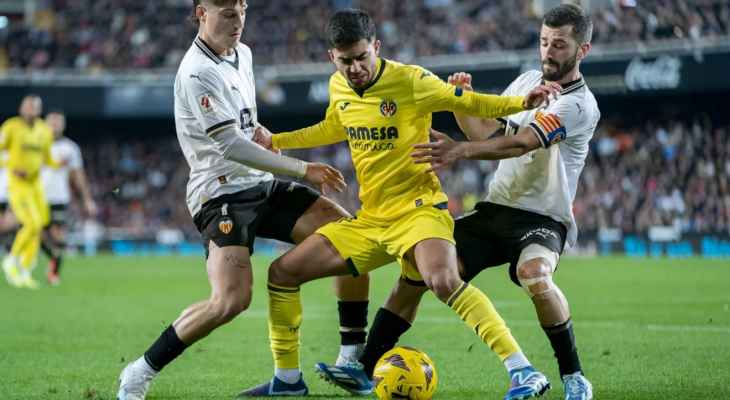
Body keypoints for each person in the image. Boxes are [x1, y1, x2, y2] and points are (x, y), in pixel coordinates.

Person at [240, 8, 561, 399]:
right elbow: (332, 126)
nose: (355, 67)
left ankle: (523, 371)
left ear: (376, 46)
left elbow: (470, 100)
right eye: (346, 61)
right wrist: (279, 141)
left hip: (419, 210)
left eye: (362, 57)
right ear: (332, 58)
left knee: (443, 280)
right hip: (372, 219)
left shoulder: (411, 81)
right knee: (282, 273)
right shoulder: (339, 88)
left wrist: (520, 103)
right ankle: (289, 382)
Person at [318, 4, 599, 400]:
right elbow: (488, 132)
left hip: (543, 217)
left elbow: (520, 143)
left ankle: (574, 377)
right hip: (497, 207)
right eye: (544, 42)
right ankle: (364, 369)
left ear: (581, 50)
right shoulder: (526, 83)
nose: (548, 51)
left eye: (559, 44)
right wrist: (459, 101)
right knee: (419, 270)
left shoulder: (578, 104)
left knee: (535, 273)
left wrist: (458, 152)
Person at [116, 1, 369, 399]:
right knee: (231, 301)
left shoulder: (243, 53)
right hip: (220, 194)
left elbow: (245, 125)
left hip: (261, 185)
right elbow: (230, 143)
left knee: (350, 239)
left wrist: (268, 135)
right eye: (228, 15)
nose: (238, 23)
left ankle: (351, 361)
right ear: (202, 13)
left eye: (242, 11)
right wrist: (303, 169)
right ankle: (139, 372)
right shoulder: (196, 72)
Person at [0, 95, 60, 289]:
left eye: (35, 106)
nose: (31, 109)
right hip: (18, 184)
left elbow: (48, 158)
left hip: (36, 186)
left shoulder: (44, 130)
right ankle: (11, 260)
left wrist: (59, 164)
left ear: (39, 109)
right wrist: (11, 165)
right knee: (31, 223)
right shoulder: (11, 127)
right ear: (21, 108)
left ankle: (25, 270)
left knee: (38, 226)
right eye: (28, 106)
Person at [39, 111, 97, 285]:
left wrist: (87, 199)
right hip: (36, 198)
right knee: (36, 235)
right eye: (52, 121)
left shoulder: (70, 148)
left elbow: (78, 175)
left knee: (58, 237)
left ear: (63, 125)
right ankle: (53, 261)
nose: (55, 125)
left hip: (58, 198)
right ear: (45, 123)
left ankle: (54, 273)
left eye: (59, 122)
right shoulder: (36, 144)